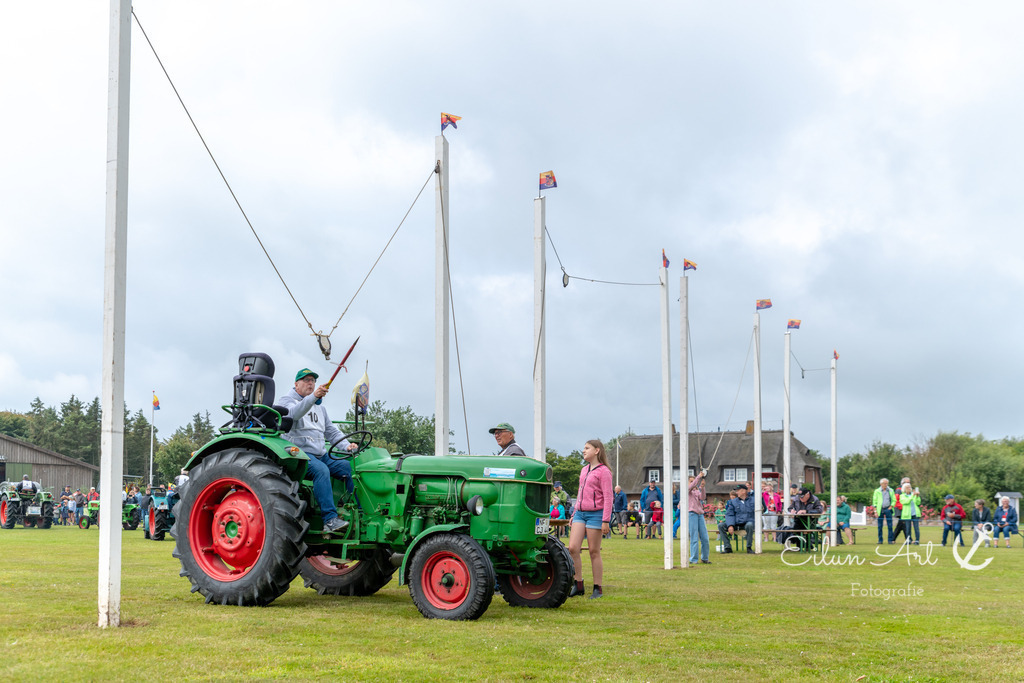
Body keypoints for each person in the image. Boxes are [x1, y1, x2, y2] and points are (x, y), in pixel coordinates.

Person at [278, 367, 358, 533]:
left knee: (348, 467)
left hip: (320, 454)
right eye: (306, 380)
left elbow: (331, 431)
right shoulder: (287, 401)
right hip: (298, 454)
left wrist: (346, 445)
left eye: (313, 380)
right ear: (296, 384)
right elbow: (294, 414)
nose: (310, 383)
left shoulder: (320, 409)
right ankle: (329, 520)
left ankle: (358, 511)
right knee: (321, 471)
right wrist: (314, 397)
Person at [567, 439, 613, 599]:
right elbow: (580, 494)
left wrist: (606, 520)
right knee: (573, 548)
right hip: (580, 512)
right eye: (584, 448)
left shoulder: (604, 471)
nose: (583, 450)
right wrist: (573, 514)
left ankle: (597, 588)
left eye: (587, 448)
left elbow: (608, 497)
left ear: (597, 450)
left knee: (594, 551)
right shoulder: (584, 470)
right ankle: (578, 584)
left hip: (596, 514)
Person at [718, 484, 756, 554]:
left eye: (738, 491)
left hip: (747, 524)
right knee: (721, 525)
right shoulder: (733, 502)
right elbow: (729, 514)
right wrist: (730, 525)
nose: (737, 492)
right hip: (735, 523)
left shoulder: (754, 500)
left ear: (744, 491)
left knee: (750, 525)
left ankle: (749, 548)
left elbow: (763, 509)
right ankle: (728, 548)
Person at [687, 471, 711, 564]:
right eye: (691, 481)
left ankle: (705, 558)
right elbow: (691, 486)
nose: (694, 483)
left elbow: (703, 497)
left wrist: (702, 487)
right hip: (692, 514)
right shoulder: (687, 490)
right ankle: (693, 559)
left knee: (705, 538)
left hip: (700, 514)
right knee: (694, 538)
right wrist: (699, 477)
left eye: (694, 481)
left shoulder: (696, 491)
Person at [872, 478, 895, 544]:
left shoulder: (891, 490)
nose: (886, 485)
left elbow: (894, 500)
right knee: (880, 526)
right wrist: (875, 511)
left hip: (888, 509)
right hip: (880, 509)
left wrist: (891, 506)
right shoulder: (877, 491)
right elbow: (874, 501)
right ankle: (880, 540)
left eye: (887, 483)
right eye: (884, 483)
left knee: (890, 525)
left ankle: (890, 540)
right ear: (881, 484)